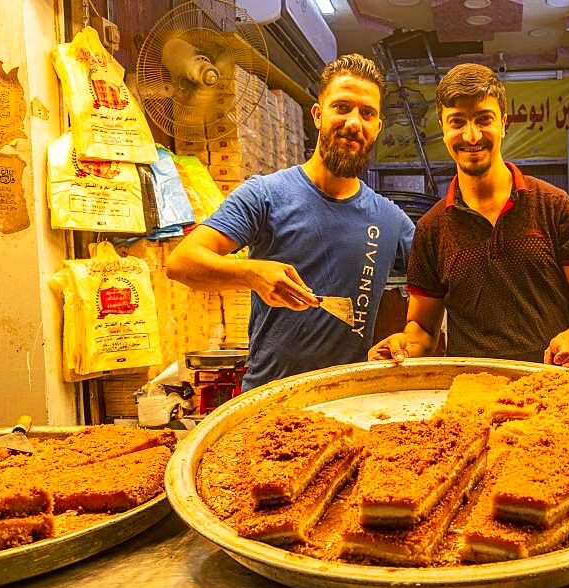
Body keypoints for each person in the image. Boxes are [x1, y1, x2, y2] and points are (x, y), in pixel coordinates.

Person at [166, 54, 414, 390]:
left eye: (367, 113)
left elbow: (441, 282)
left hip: (347, 403)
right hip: (269, 402)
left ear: (377, 127)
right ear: (317, 114)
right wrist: (251, 273)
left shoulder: (390, 220)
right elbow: (182, 263)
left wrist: (407, 336)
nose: (354, 122)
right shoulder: (265, 195)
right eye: (341, 107)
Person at [368, 64, 569, 369]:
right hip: (470, 397)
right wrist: (403, 344)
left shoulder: (553, 206)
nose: (471, 136)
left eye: (484, 119)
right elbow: (424, 330)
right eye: (457, 122)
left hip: (550, 389)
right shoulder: (431, 229)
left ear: (504, 123)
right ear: (443, 129)